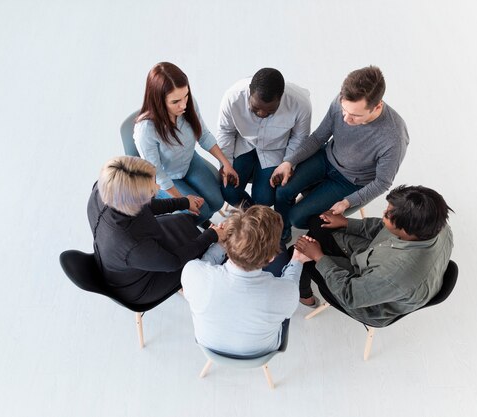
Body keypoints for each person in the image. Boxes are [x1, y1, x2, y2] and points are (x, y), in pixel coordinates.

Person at [273, 66, 410, 242]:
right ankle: (280, 233)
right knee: (282, 190)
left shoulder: (394, 137)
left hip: (351, 182)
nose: (345, 118)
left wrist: (348, 202)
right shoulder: (341, 102)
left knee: (297, 218)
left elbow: (382, 183)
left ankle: (289, 223)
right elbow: (317, 138)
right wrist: (289, 162)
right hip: (326, 158)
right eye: (344, 110)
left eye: (354, 115)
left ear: (377, 107)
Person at [293, 185, 454, 325]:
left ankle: (306, 296)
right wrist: (346, 223)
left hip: (359, 299)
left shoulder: (395, 276)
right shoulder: (438, 226)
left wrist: (318, 257)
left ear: (405, 231)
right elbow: (382, 228)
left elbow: (350, 296)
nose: (383, 213)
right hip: (372, 256)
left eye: (388, 215)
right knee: (317, 223)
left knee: (298, 257)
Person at [87, 156, 221, 305]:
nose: (158, 188)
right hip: (140, 285)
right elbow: (173, 263)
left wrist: (183, 202)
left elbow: (146, 206)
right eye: (151, 190)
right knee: (200, 256)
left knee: (183, 222)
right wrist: (211, 235)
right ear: (134, 201)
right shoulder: (132, 245)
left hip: (124, 258)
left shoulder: (103, 191)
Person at [181, 206, 311, 357]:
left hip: (207, 343)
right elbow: (290, 287)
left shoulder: (193, 271)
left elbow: (203, 264)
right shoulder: (286, 292)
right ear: (270, 258)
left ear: (229, 244)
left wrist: (220, 244)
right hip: (261, 350)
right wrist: (297, 260)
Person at [133, 62, 237, 226]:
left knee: (217, 202)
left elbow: (204, 136)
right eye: (175, 102)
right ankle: (199, 224)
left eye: (186, 96)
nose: (183, 105)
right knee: (199, 213)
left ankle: (202, 218)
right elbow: (158, 174)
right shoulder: (145, 130)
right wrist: (182, 200)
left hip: (189, 161)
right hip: (167, 177)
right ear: (159, 101)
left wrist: (226, 164)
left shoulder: (189, 104)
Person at [216, 67, 311, 210]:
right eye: (255, 108)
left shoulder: (300, 104)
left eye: (270, 111)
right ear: (250, 90)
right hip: (243, 145)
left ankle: (256, 220)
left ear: (281, 97)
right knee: (228, 190)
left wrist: (288, 163)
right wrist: (226, 163)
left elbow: (299, 138)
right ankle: (255, 219)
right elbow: (225, 131)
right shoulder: (232, 97)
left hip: (275, 150)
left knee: (264, 199)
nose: (261, 113)